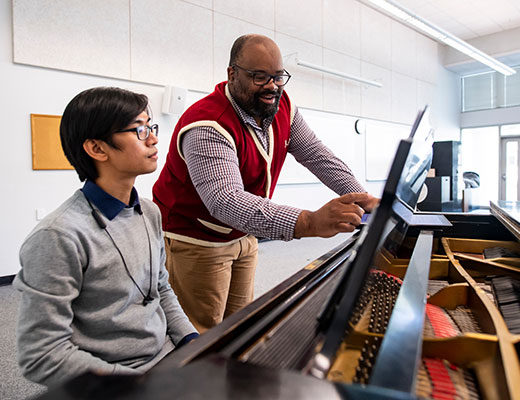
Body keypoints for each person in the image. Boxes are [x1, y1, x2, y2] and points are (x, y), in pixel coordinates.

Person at [153, 34, 379, 333]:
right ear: (232, 74)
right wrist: (308, 222)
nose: (272, 86)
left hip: (244, 233)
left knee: (238, 325)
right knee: (201, 332)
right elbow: (225, 200)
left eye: (278, 76)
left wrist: (362, 197)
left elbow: (316, 155)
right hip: (197, 239)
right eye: (259, 76)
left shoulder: (282, 105)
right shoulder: (208, 123)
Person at [14, 87, 198, 387]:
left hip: (166, 359)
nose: (153, 138)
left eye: (150, 126)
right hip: (111, 380)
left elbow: (160, 288)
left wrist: (191, 340)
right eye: (139, 130)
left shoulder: (149, 212)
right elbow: (42, 354)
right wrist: (137, 386)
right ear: (97, 149)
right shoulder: (58, 236)